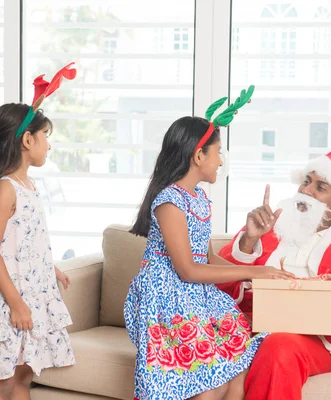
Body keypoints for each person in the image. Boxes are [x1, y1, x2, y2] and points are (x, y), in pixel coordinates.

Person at [124, 88, 296, 400]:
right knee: (209, 385)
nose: (221, 161)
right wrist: (255, 274)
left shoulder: (200, 198)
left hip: (196, 297)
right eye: (218, 153)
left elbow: (207, 256)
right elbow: (188, 270)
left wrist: (255, 273)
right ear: (199, 156)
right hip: (168, 298)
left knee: (237, 366)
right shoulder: (169, 201)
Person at [217, 148, 331, 400]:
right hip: (246, 329)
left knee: (278, 346)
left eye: (320, 187)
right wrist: (248, 241)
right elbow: (213, 286)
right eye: (306, 181)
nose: (305, 191)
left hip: (314, 341)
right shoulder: (265, 230)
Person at [0, 64, 77, 400]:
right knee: (3, 376)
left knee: (25, 373)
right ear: (27, 139)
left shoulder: (27, 184)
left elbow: (25, 240)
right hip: (9, 297)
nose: (49, 147)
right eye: (46, 138)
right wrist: (15, 303)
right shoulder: (5, 188)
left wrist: (48, 267)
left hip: (33, 292)